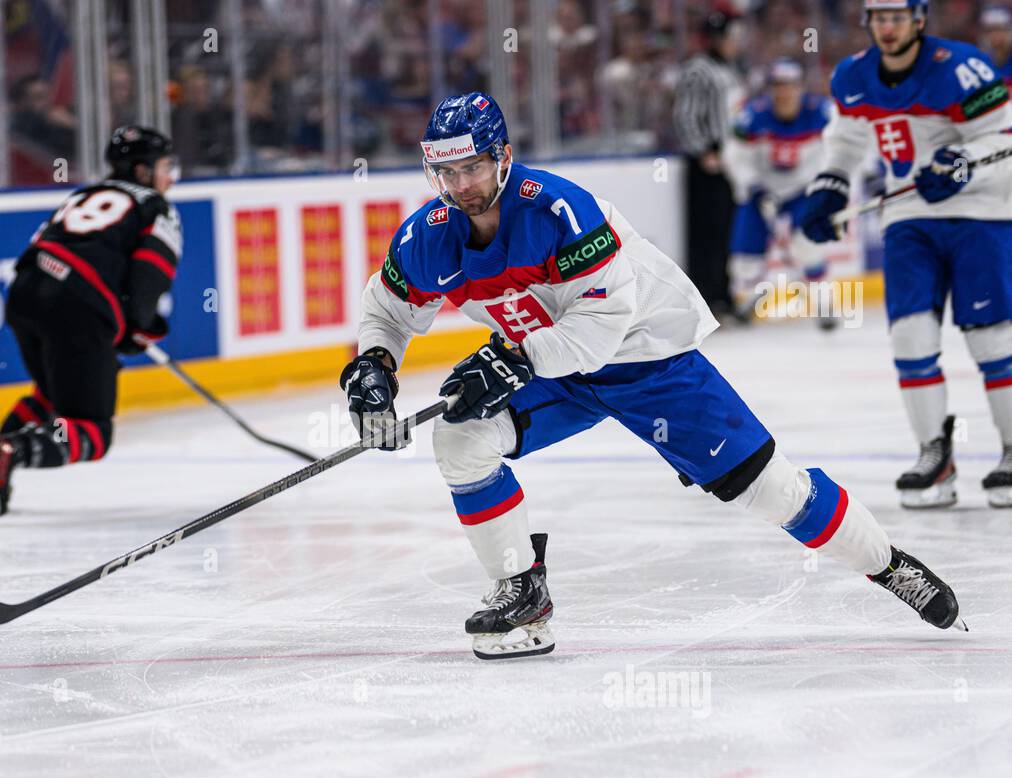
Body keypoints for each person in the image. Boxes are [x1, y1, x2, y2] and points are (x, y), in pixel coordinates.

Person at [340, 91, 963, 661]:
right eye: (444, 172)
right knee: (461, 439)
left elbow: (604, 325)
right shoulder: (429, 235)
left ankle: (888, 565)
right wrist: (373, 365)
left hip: (646, 358)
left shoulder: (561, 213)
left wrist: (517, 360)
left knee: (771, 491)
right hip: (557, 364)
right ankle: (521, 591)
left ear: (502, 157)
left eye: (470, 168)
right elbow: (388, 308)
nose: (459, 186)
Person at [800, 0, 1012, 509]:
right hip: (908, 217)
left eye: (898, 18)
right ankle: (934, 455)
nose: (888, 28)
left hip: (980, 212)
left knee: (992, 339)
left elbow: (1002, 136)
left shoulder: (962, 66)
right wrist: (830, 183)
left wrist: (961, 163)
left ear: (919, 19)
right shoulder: (852, 75)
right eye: (879, 18)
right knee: (909, 335)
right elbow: (846, 138)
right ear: (869, 23)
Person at [0, 126, 182, 520]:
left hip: (27, 292)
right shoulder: (156, 208)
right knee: (93, 431)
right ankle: (5, 454)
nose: (171, 177)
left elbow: (47, 245)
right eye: (166, 167)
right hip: (79, 305)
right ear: (144, 171)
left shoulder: (82, 194)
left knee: (50, 395)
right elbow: (148, 281)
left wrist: (120, 327)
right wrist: (137, 327)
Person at [725, 59, 834, 327]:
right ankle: (747, 299)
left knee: (808, 243)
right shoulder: (751, 116)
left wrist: (825, 183)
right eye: (778, 87)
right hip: (760, 190)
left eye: (790, 86)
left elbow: (840, 148)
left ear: (800, 87)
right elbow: (734, 155)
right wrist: (753, 186)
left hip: (802, 188)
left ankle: (822, 302)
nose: (784, 93)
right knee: (745, 252)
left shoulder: (822, 111)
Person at [672, 9, 746, 321]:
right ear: (716, 39)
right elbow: (685, 115)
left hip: (731, 160)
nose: (735, 43)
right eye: (731, 37)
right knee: (707, 233)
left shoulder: (731, 69)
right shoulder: (697, 71)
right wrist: (703, 151)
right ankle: (707, 298)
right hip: (708, 164)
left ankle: (724, 295)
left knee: (728, 229)